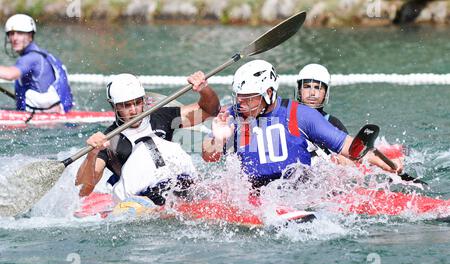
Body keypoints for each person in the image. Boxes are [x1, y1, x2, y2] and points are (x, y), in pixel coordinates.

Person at [202, 59, 403, 189]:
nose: (242, 104)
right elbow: (208, 156)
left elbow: (352, 149)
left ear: (269, 93)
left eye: (250, 99)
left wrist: (390, 166)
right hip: (254, 194)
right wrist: (218, 140)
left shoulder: (302, 115)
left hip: (299, 191)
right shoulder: (231, 115)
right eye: (239, 98)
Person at [75, 72, 220, 206]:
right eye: (126, 106)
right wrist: (92, 154)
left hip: (178, 183)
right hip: (141, 198)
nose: (134, 110)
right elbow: (83, 190)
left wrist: (204, 89)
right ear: (114, 106)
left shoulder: (161, 116)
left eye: (137, 102)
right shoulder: (110, 141)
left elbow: (209, 111)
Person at [0, 14, 73, 113]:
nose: (14, 38)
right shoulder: (41, 54)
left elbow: (10, 74)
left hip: (46, 121)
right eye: (11, 33)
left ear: (30, 36)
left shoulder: (32, 58)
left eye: (20, 33)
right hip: (53, 114)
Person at [296, 63, 350, 163]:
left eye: (318, 87)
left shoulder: (333, 123)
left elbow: (349, 161)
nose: (312, 93)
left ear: (325, 93)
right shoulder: (286, 117)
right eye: (307, 86)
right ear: (299, 91)